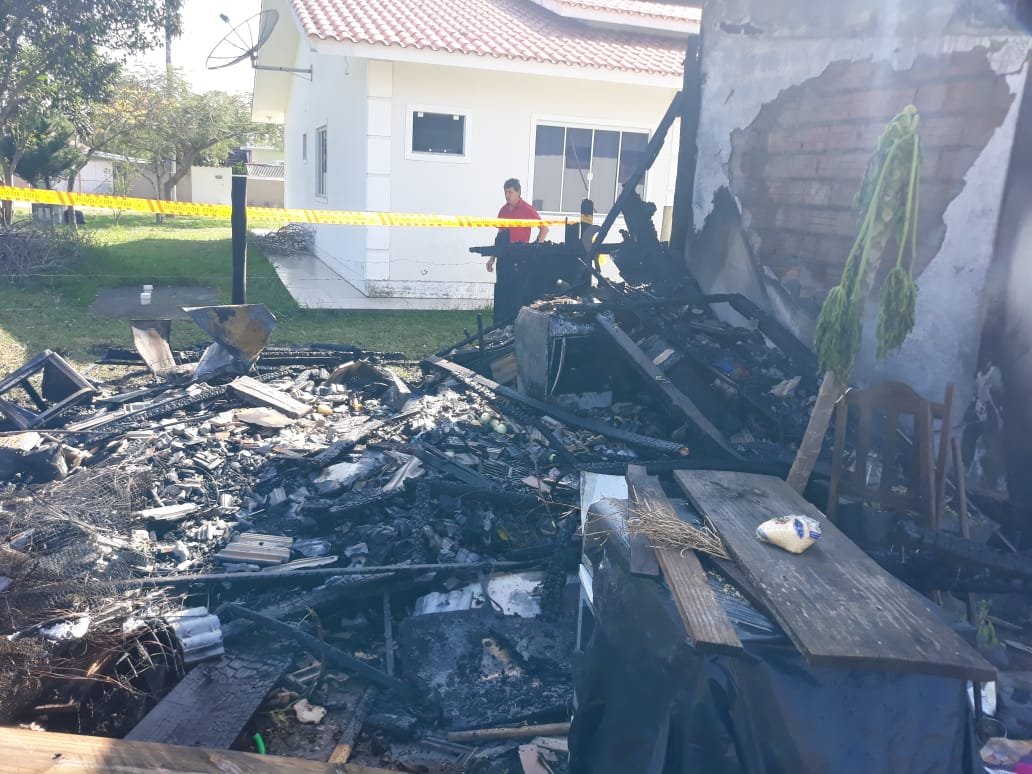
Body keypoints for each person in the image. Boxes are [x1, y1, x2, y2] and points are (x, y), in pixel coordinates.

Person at [485, 178, 548, 273]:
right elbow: (499, 237)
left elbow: (544, 229)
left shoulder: (527, 209)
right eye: (505, 192)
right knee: (502, 282)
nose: (507, 195)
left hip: (520, 258)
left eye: (510, 192)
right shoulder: (503, 210)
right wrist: (492, 258)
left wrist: (535, 250)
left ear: (518, 192)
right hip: (503, 259)